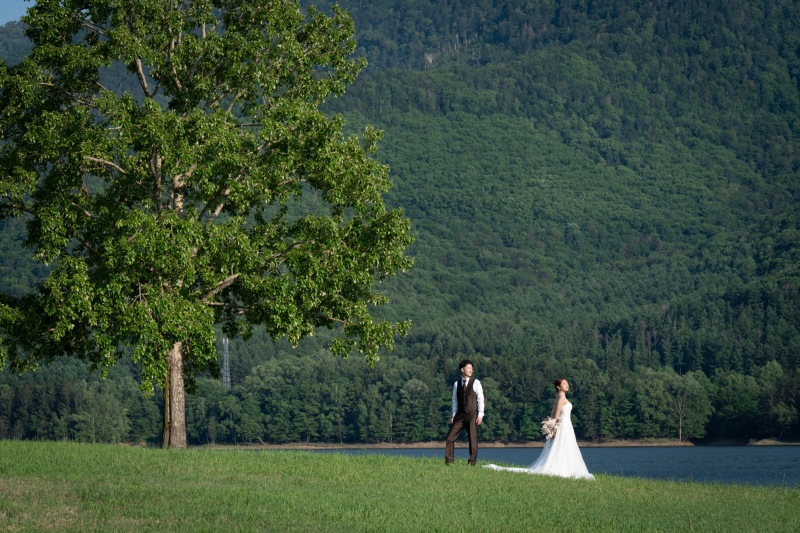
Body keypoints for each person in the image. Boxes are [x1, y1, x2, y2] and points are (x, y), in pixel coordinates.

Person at [484, 378, 594, 479]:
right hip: (563, 425)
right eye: (564, 384)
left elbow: (553, 412)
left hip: (567, 425)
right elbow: (555, 414)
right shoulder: (561, 397)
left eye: (567, 383)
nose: (567, 385)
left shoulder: (561, 397)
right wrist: (554, 427)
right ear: (558, 387)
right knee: (562, 446)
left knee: (566, 447)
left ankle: (566, 467)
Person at [444, 359, 485, 465]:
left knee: (472, 438)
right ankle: (449, 461)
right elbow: (454, 401)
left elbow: (480, 399)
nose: (471, 370)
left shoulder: (476, 382)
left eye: (472, 368)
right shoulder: (456, 384)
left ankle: (472, 462)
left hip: (472, 414)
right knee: (450, 437)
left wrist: (480, 415)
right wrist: (454, 415)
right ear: (462, 369)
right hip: (460, 415)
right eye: (469, 368)